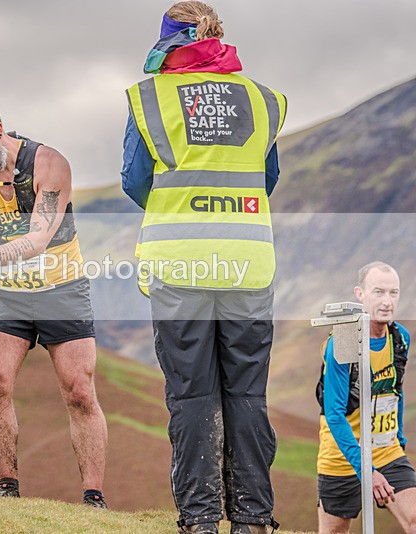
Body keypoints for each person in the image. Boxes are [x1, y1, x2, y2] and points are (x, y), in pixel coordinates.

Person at [121, 2, 286, 533]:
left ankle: (199, 519)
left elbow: (134, 179)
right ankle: (254, 519)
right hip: (246, 264)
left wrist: (179, 201)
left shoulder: (150, 98)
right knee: (247, 393)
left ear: (167, 42)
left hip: (180, 265)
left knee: (192, 395)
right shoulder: (262, 101)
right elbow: (268, 176)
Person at [0, 97, 109, 508]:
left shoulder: (49, 164)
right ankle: (7, 489)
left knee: (79, 391)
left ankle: (93, 496)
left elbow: (38, 239)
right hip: (7, 296)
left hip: (62, 289)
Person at [316, 262, 416, 533]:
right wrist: (367, 471)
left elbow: (396, 389)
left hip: (386, 451)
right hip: (342, 457)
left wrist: (400, 438)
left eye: (393, 293)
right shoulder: (344, 341)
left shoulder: (400, 338)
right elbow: (334, 413)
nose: (387, 301)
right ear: (360, 294)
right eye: (378, 292)